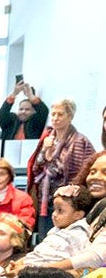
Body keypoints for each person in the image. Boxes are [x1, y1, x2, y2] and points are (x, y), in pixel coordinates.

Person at [28, 99, 96, 238]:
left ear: (70, 117)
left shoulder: (80, 141)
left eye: (60, 114)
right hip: (46, 198)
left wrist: (50, 157)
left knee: (63, 240)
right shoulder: (47, 139)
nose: (55, 118)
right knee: (44, 238)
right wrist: (45, 151)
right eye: (53, 114)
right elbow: (36, 168)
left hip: (68, 201)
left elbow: (82, 173)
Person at [19, 185, 92, 268]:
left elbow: (77, 264)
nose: (54, 214)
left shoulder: (78, 236)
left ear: (78, 215)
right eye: (54, 209)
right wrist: (22, 262)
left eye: (60, 210)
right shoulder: (55, 231)